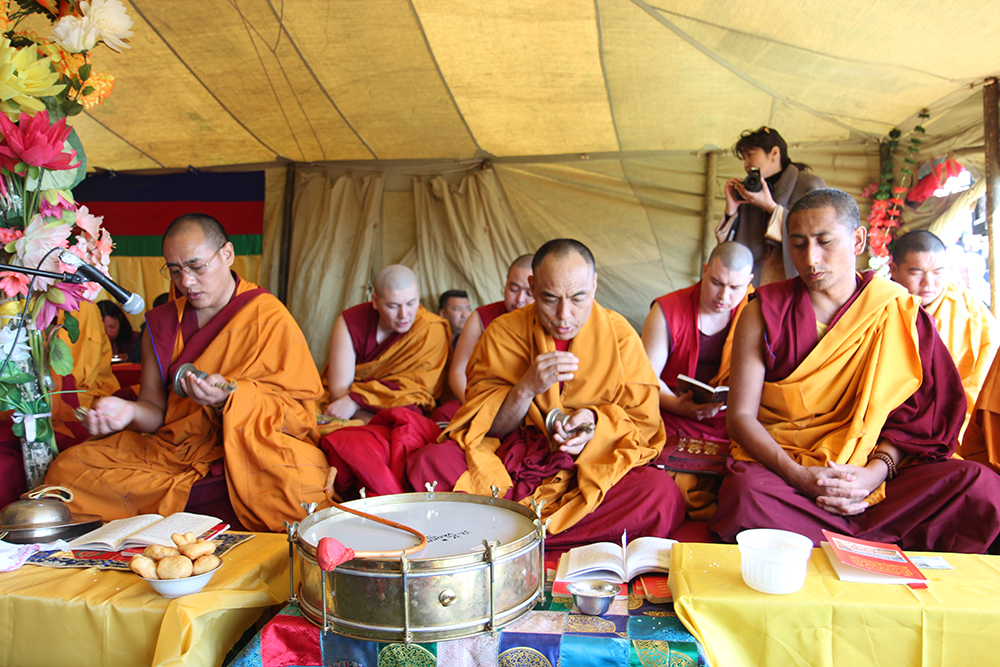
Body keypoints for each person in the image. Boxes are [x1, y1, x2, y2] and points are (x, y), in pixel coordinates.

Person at [709, 189, 1000, 553]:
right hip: (789, 470)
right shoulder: (764, 311)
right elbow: (739, 417)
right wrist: (800, 477)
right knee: (746, 494)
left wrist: (872, 474)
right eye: (798, 244)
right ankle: (875, 541)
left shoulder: (897, 310)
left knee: (978, 484)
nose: (811, 258)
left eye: (824, 242)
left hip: (876, 477)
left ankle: (829, 535)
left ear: (858, 239)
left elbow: (919, 422)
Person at [44, 213, 330, 532]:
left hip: (247, 448)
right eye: (175, 270)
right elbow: (155, 411)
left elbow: (299, 413)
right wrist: (127, 411)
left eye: (197, 267)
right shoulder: (161, 322)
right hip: (172, 450)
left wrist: (230, 398)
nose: (187, 282)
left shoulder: (268, 315)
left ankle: (172, 513)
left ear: (227, 254)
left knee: (301, 484)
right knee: (68, 470)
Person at [408, 239, 684, 549]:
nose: (564, 314)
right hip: (514, 457)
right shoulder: (504, 332)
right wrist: (526, 388)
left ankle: (508, 535)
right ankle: (534, 534)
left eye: (578, 297)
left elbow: (642, 426)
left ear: (594, 284)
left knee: (660, 494)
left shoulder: (620, 336)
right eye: (550, 298)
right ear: (533, 285)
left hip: (590, 464)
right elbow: (488, 428)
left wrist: (595, 423)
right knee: (430, 460)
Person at [641, 241, 753, 519]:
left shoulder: (756, 312)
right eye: (716, 282)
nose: (724, 296)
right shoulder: (667, 310)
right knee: (665, 483)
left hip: (731, 421)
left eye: (735, 288)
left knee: (747, 481)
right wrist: (679, 406)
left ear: (749, 283)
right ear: (704, 271)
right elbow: (645, 380)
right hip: (670, 414)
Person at [890, 230, 998, 434]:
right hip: (898, 420)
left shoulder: (968, 308)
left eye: (938, 272)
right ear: (894, 270)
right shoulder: (882, 307)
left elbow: (986, 370)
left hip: (964, 420)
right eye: (916, 272)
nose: (928, 283)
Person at [323, 264, 450, 424]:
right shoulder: (350, 322)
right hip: (351, 407)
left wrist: (356, 401)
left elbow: (419, 390)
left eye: (411, 303)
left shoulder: (430, 328)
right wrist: (356, 404)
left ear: (418, 294)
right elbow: (339, 390)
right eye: (393, 306)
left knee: (409, 414)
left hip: (395, 408)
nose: (404, 315)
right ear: (375, 301)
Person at [715, 127, 825, 285]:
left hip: (797, 283)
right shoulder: (749, 191)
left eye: (750, 155)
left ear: (774, 153)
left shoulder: (809, 184)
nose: (746, 164)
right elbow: (729, 250)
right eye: (744, 158)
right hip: (752, 286)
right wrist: (731, 210)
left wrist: (770, 207)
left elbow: (820, 234)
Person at [449, 254, 534, 404]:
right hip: (479, 399)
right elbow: (458, 371)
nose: (519, 299)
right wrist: (473, 408)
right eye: (513, 289)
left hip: (527, 404)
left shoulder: (547, 322)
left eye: (529, 293)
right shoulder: (481, 317)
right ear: (506, 282)